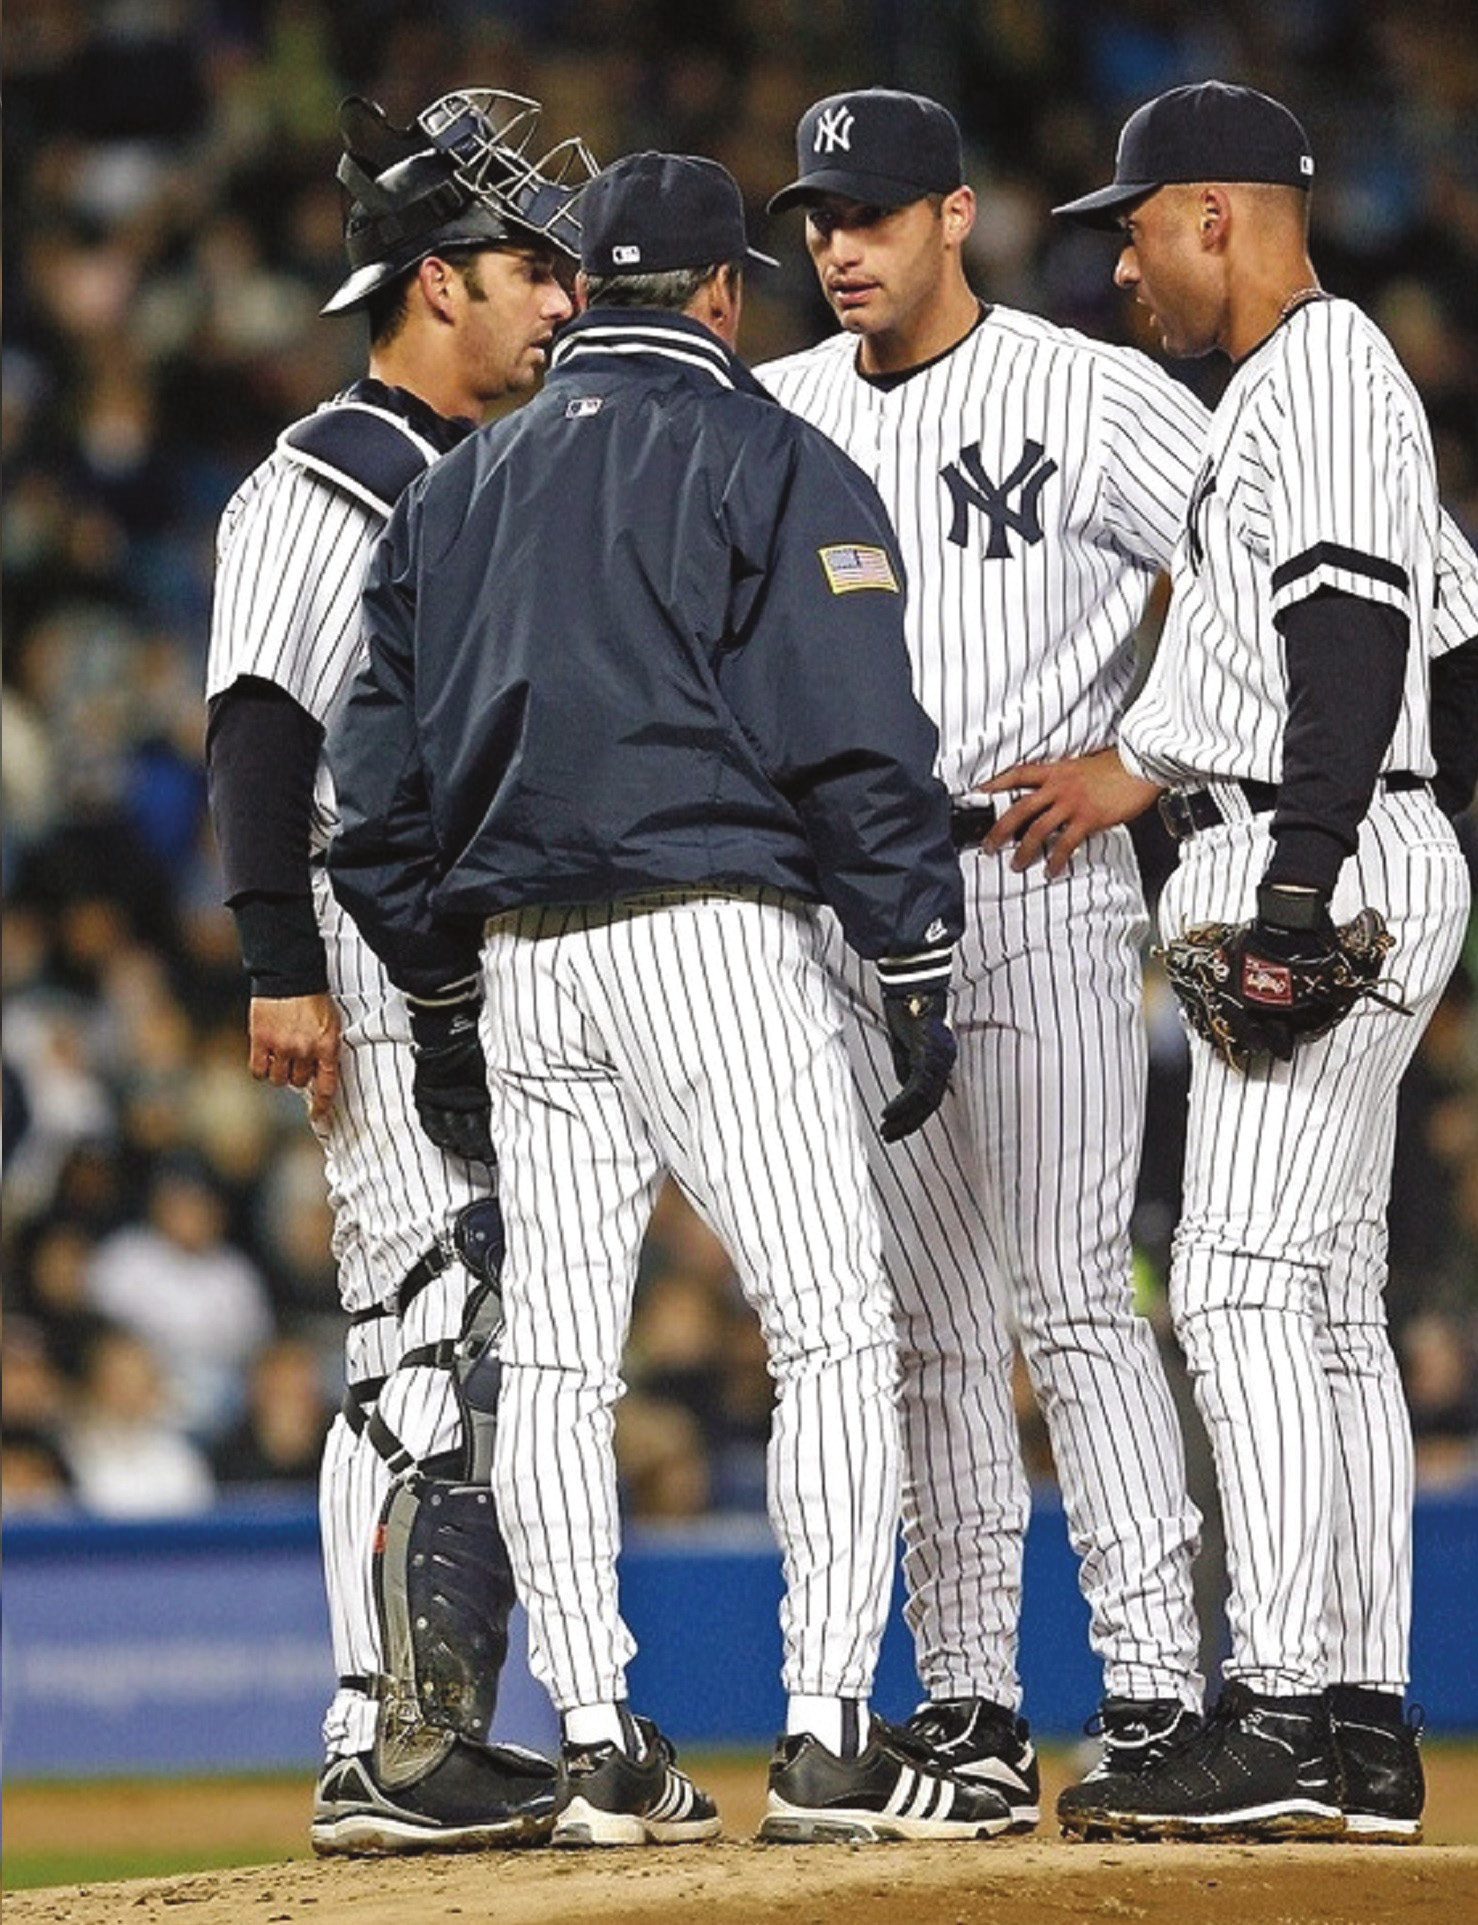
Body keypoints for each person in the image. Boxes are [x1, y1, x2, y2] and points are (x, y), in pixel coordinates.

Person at [327, 149, 1011, 1849]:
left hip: (524, 960)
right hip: (712, 930)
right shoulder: (773, 451)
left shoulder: (452, 493)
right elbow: (854, 732)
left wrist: (437, 989)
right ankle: (832, 1734)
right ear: (719, 291)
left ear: (593, 290)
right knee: (834, 1324)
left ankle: (595, 1744)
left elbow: (367, 791)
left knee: (556, 1363)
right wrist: (913, 949)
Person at [1023, 79, 1474, 1843]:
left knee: (1227, 1285)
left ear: (1213, 212)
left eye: (1130, 229)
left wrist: (1300, 883)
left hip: (1317, 840)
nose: (1120, 268)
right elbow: (1456, 635)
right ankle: (1361, 1722)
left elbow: (1358, 633)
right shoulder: (1309, 396)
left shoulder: (1325, 371)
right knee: (1327, 1304)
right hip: (1350, 826)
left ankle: (1277, 1708)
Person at [757, 88, 1211, 1825]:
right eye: (816, 219)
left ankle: (1160, 1690)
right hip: (847, 904)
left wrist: (1148, 759)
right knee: (926, 1327)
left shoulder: (1085, 390)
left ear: (957, 216)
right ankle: (967, 1702)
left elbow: (1252, 572)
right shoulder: (776, 408)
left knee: (1074, 1297)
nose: (839, 247)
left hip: (1030, 873)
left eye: (871, 215)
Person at [205, 87, 594, 1854]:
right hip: (366, 953)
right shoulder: (325, 477)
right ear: (433, 282)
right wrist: (277, 959)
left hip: (469, 943)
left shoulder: (474, 471)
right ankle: (382, 1738)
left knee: (467, 1326)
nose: (561, 300)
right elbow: (260, 731)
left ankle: (406, 1729)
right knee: (420, 1319)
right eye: (528, 269)